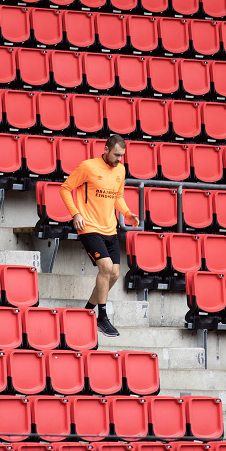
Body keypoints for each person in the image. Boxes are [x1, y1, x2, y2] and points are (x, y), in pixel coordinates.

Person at [59, 134, 139, 337]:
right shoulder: (88, 167)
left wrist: (128, 214)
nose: (119, 159)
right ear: (106, 149)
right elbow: (65, 189)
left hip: (110, 228)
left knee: (114, 274)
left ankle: (87, 311)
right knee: (106, 267)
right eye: (116, 154)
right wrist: (75, 213)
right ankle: (102, 317)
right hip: (89, 226)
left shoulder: (120, 169)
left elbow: (117, 197)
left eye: (122, 155)